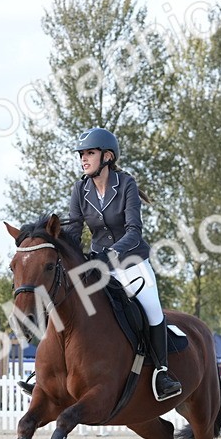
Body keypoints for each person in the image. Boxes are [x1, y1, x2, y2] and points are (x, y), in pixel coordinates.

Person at [58, 127, 181, 401]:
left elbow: (133, 230)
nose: (84, 159)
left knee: (152, 309)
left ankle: (162, 372)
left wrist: (110, 254)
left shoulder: (126, 184)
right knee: (67, 303)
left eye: (90, 153)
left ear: (107, 156)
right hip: (98, 265)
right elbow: (75, 233)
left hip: (132, 260)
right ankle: (51, 371)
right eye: (82, 154)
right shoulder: (80, 189)